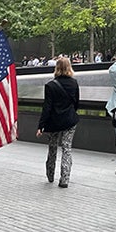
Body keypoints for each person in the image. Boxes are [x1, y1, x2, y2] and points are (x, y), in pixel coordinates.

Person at [37, 57, 80, 188]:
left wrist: (41, 125)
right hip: (70, 120)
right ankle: (65, 179)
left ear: (56, 68)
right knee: (67, 148)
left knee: (52, 147)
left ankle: (50, 174)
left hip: (54, 122)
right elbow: (76, 103)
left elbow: (47, 107)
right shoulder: (74, 83)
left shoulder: (50, 85)